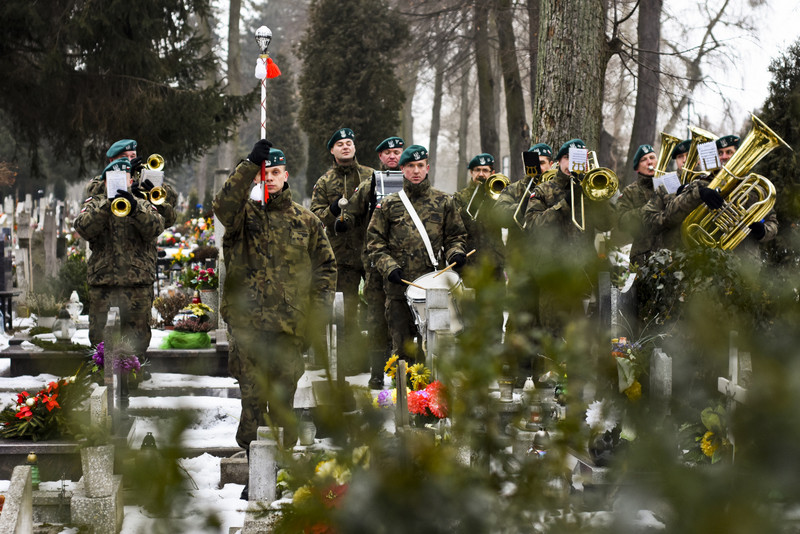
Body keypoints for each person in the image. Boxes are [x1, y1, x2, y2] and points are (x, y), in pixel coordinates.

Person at [213, 140, 336, 464]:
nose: (269, 177)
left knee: (283, 403)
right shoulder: (242, 217)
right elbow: (223, 205)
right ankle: (255, 470)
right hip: (248, 327)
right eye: (264, 172)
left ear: (286, 175)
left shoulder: (306, 222)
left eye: (276, 172)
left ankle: (281, 468)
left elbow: (326, 268)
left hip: (288, 329)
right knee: (251, 403)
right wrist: (250, 163)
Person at [367, 144, 467, 363]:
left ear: (427, 168)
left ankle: (433, 395)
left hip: (433, 288)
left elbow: (455, 236)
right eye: (410, 166)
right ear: (402, 169)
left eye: (420, 166)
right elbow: (374, 243)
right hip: (398, 288)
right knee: (402, 351)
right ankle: (405, 395)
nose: (416, 171)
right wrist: (389, 267)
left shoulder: (444, 201)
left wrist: (455, 253)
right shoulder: (388, 205)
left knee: (436, 348)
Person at [74, 157, 165, 358]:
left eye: (124, 178)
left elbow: (157, 227)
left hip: (137, 284)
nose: (120, 182)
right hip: (104, 284)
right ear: (106, 181)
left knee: (137, 339)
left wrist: (135, 209)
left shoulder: (142, 203)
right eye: (114, 178)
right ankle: (102, 375)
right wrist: (107, 204)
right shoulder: (95, 203)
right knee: (101, 338)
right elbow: (83, 227)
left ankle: (135, 373)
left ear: (131, 181)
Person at [310, 128, 375, 373]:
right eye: (340, 144)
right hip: (342, 256)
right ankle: (350, 363)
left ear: (355, 147)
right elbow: (316, 217)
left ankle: (380, 361)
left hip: (372, 253)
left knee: (376, 310)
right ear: (332, 150)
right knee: (345, 313)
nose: (345, 147)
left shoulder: (371, 176)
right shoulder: (325, 182)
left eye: (349, 142)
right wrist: (334, 212)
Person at [344, 136, 404, 388]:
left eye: (397, 152)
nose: (392, 156)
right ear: (380, 157)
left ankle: (405, 371)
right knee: (377, 318)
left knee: (404, 320)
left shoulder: (412, 181)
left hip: (406, 266)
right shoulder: (371, 184)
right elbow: (353, 213)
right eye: (387, 153)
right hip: (377, 265)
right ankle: (377, 373)